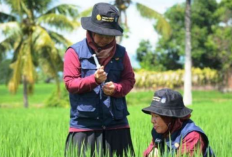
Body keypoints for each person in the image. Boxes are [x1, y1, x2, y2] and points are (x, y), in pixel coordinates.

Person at [63, 2, 135, 157]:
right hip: (84, 126)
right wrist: (93, 80)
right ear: (91, 31)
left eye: (109, 35)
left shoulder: (121, 53)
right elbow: (69, 83)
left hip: (117, 125)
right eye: (101, 34)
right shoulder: (74, 52)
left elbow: (129, 80)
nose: (105, 39)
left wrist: (117, 88)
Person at [142, 88, 215, 157]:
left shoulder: (192, 136)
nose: (152, 121)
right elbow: (148, 152)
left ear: (170, 117)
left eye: (156, 116)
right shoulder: (159, 131)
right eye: (152, 116)